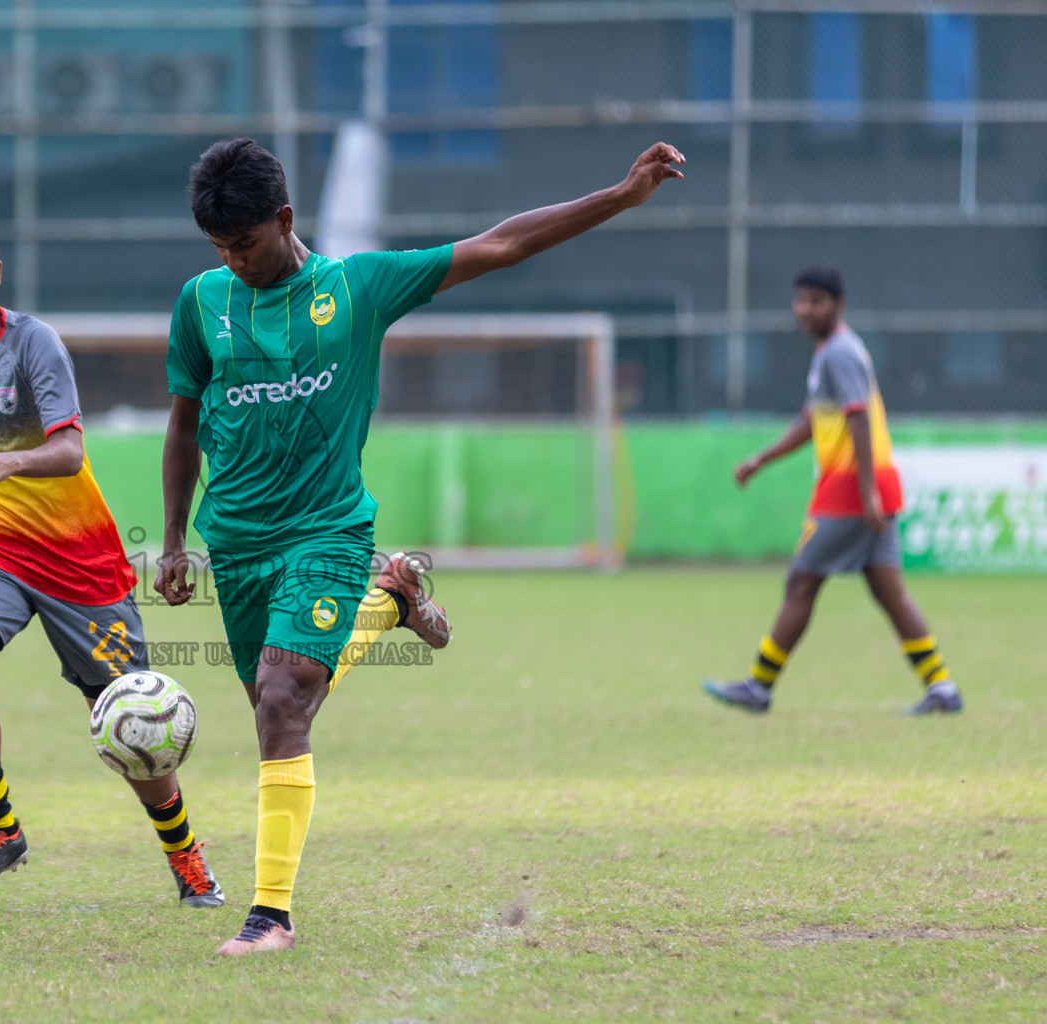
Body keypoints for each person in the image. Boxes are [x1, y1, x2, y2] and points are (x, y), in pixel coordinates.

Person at [156, 137, 687, 955]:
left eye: (246, 244)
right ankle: (394, 600)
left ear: (286, 220)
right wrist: (171, 539)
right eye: (220, 247)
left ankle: (270, 917)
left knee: (283, 696)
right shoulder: (201, 302)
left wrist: (618, 196)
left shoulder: (358, 287)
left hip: (328, 530)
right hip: (235, 545)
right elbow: (184, 423)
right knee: (283, 704)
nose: (235, 260)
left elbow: (501, 245)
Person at [0, 211, 222, 906]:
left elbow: (70, 450)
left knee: (128, 711)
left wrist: (5, 464)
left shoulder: (33, 343)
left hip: (80, 557)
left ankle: (186, 854)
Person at [703, 267, 963, 717]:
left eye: (816, 301)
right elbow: (812, 420)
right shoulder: (831, 352)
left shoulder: (839, 353)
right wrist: (761, 459)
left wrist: (865, 497)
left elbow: (858, 421)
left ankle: (758, 687)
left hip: (850, 489)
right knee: (889, 591)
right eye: (800, 300)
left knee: (801, 581)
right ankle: (941, 688)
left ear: (838, 306)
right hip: (871, 483)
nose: (805, 309)